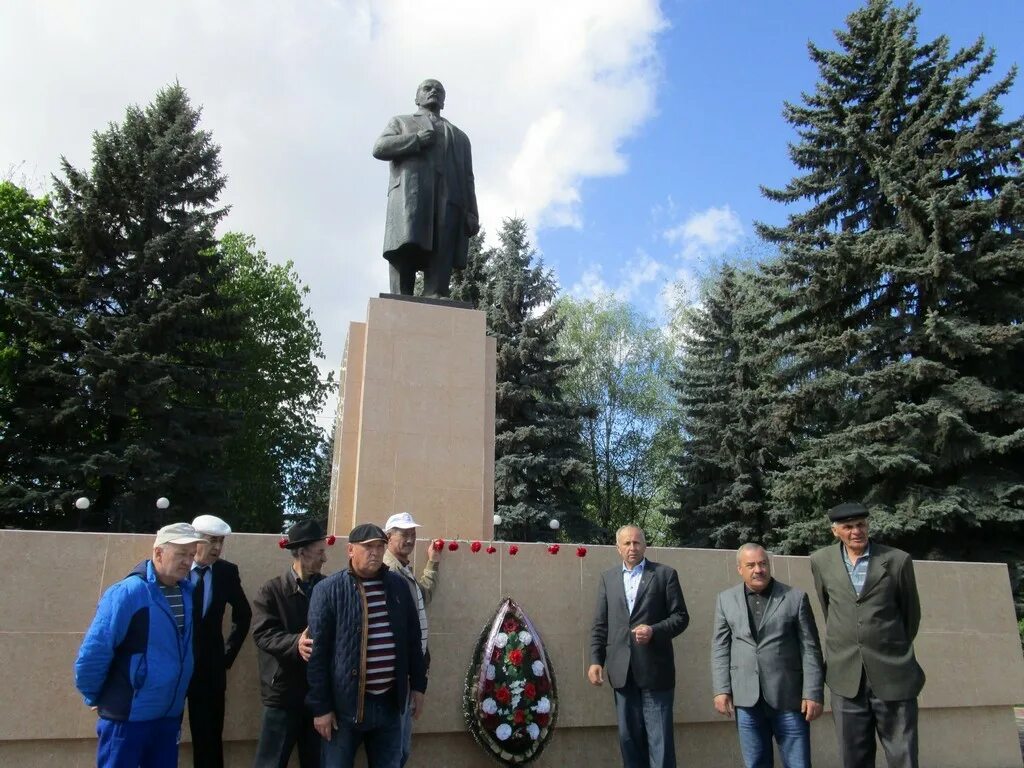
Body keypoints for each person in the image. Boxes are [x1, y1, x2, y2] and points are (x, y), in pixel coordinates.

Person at [74, 522, 206, 768]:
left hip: (168, 718)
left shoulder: (187, 593)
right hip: (126, 719)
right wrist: (96, 696)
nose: (187, 562)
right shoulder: (128, 593)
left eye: (191, 555)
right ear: (158, 553)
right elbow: (95, 651)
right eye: (180, 554)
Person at [809, 502, 925, 768]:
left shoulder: (897, 560)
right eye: (847, 527)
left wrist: (886, 645)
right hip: (846, 678)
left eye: (860, 524)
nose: (855, 531)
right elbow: (830, 610)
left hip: (893, 674)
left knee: (903, 755)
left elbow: (911, 616)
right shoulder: (820, 561)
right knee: (854, 758)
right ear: (835, 531)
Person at [307, 523, 427, 768]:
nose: (375, 552)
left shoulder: (398, 586)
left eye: (380, 546)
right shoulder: (328, 590)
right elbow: (317, 655)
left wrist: (418, 686)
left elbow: (413, 639)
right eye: (368, 547)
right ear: (350, 550)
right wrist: (321, 707)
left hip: (390, 705)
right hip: (344, 709)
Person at [711, 543, 824, 768]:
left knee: (798, 763)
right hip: (746, 700)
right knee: (755, 763)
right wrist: (721, 689)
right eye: (750, 565)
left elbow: (810, 648)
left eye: (762, 564)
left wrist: (813, 693)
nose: (758, 570)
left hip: (788, 699)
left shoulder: (795, 598)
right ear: (739, 569)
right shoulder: (726, 600)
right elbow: (720, 647)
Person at [588, 524, 689, 768]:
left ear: (645, 545)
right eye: (627, 543)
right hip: (622, 673)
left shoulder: (665, 575)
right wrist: (595, 660)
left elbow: (681, 617)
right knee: (628, 740)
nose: (632, 548)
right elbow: (601, 624)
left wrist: (654, 631)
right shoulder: (608, 579)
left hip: (656, 673)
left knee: (660, 743)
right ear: (617, 548)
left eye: (637, 542)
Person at [372, 78, 479, 298]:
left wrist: (472, 212)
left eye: (439, 90)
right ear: (417, 97)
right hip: (411, 196)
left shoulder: (459, 137)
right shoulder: (401, 122)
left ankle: (435, 293)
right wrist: (416, 141)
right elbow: (380, 148)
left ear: (444, 100)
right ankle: (402, 297)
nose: (433, 92)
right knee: (405, 246)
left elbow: (468, 178)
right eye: (427, 89)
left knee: (443, 250)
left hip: (449, 200)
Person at [252, 519, 331, 768]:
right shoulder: (271, 591)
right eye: (320, 552)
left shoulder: (329, 588)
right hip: (283, 696)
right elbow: (263, 634)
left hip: (318, 696)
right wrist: (295, 643)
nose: (324, 558)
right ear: (302, 551)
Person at [186, 514, 251, 768]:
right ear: (194, 540)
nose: (216, 548)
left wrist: (226, 656)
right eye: (211, 540)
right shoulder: (176, 569)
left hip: (210, 669)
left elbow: (243, 615)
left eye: (220, 542)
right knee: (165, 732)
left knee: (209, 738)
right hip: (174, 665)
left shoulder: (226, 572)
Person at [382, 512, 442, 767]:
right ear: (388, 537)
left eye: (413, 535)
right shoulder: (387, 573)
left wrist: (433, 562)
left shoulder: (402, 571)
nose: (410, 540)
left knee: (400, 749)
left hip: (409, 672)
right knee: (394, 750)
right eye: (404, 534)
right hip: (397, 674)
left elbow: (423, 596)